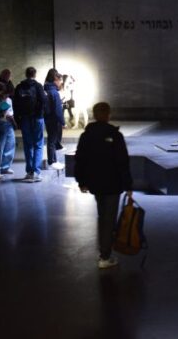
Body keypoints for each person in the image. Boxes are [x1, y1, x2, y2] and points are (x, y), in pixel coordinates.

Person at [75, 102, 133, 269]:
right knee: (109, 218)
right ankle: (105, 255)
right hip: (113, 183)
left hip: (95, 183)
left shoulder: (87, 135)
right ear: (108, 114)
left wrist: (82, 181)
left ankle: (104, 249)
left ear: (94, 114)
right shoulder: (115, 135)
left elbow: (80, 160)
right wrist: (128, 185)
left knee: (103, 216)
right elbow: (123, 161)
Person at [13, 67, 48, 182]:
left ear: (26, 74)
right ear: (35, 74)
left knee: (28, 145)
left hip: (24, 118)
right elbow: (44, 100)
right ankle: (36, 172)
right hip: (37, 118)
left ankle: (29, 171)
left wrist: (18, 120)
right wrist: (41, 113)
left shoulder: (19, 87)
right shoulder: (38, 86)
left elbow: (15, 104)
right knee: (38, 144)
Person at [44, 69, 65, 169]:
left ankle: (54, 160)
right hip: (54, 120)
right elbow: (57, 109)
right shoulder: (54, 92)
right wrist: (62, 121)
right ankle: (51, 161)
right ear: (55, 79)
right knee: (52, 140)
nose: (61, 83)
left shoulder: (46, 89)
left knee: (52, 139)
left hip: (48, 118)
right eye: (60, 80)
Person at [0, 82, 17, 175]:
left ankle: (5, 166)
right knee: (0, 146)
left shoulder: (9, 100)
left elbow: (10, 113)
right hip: (1, 123)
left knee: (10, 144)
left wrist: (13, 123)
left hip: (8, 124)